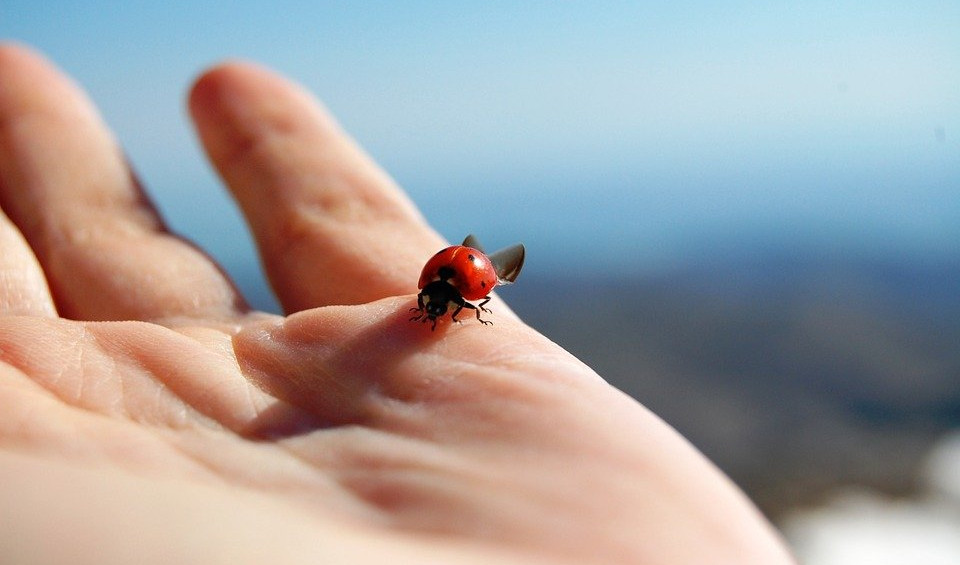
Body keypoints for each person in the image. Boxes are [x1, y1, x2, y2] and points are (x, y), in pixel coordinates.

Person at [0, 43, 795, 564]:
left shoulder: (454, 286)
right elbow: (448, 287)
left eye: (443, 303)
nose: (438, 309)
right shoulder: (449, 286)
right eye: (443, 301)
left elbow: (451, 286)